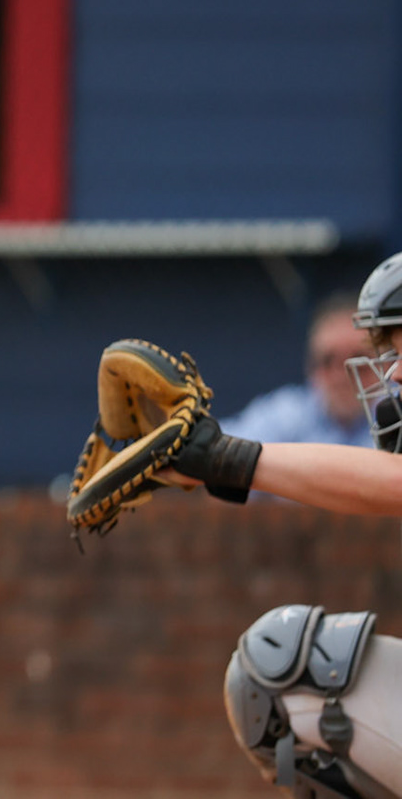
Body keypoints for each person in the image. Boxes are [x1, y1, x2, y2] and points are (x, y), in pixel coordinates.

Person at [149, 256, 402, 799]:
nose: (395, 374)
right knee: (274, 671)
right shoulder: (293, 409)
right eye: (392, 353)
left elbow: (394, 482)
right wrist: (193, 461)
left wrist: (228, 460)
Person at [220, 294, 372, 448]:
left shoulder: (388, 415)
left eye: (358, 362)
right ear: (311, 367)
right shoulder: (288, 414)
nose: (341, 376)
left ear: (382, 365)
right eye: (328, 361)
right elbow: (221, 446)